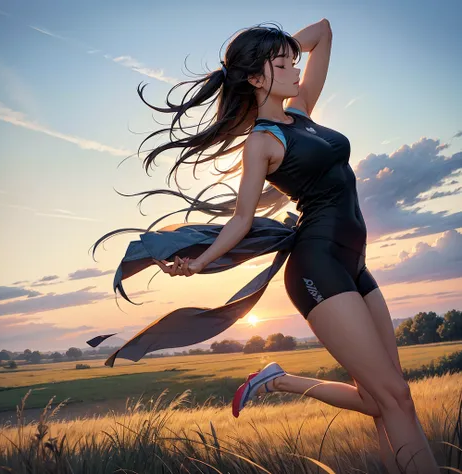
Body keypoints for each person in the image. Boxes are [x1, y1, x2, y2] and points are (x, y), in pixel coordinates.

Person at [89, 21, 440, 474]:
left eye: (293, 61)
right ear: (256, 78)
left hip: (356, 264)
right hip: (318, 267)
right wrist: (197, 263)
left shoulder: (303, 112)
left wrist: (269, 52)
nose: (295, 68)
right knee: (397, 398)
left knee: (383, 398)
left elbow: (324, 33)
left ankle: (278, 381)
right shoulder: (262, 142)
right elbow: (240, 219)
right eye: (282, 64)